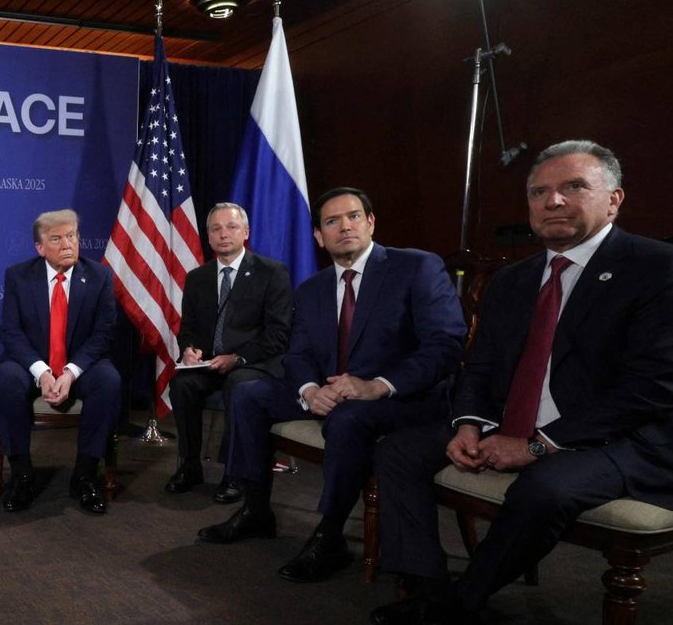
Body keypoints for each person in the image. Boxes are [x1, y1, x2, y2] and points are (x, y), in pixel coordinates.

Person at [373, 140, 673, 625]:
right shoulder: (512, 280)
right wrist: (468, 425)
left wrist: (538, 445)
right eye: (539, 192)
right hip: (513, 422)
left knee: (545, 487)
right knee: (398, 450)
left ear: (614, 199)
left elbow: (653, 389)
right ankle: (425, 591)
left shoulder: (666, 269)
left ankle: (457, 609)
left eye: (573, 187)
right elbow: (480, 368)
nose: (552, 201)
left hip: (629, 439)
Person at [199, 187, 465, 582]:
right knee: (248, 392)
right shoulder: (312, 288)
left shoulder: (416, 267)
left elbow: (445, 345)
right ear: (319, 237)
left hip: (400, 398)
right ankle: (255, 510)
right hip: (330, 393)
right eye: (332, 221)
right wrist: (309, 390)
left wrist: (378, 385)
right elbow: (297, 353)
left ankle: (330, 533)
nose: (345, 227)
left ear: (370, 222)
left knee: (348, 418)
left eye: (354, 216)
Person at [0, 208, 121, 515]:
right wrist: (43, 372)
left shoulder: (99, 275)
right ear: (40, 247)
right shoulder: (18, 276)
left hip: (81, 362)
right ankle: (22, 475)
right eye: (56, 239)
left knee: (109, 380)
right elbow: (10, 332)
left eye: (72, 236)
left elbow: (103, 333)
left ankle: (85, 475)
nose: (67, 245)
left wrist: (71, 372)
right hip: (31, 362)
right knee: (4, 379)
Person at [165, 202, 293, 501]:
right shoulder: (197, 277)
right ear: (208, 236)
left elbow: (278, 334)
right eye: (216, 229)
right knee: (182, 384)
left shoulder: (272, 273)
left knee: (238, 384)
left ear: (245, 232)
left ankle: (235, 473)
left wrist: (237, 358)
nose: (224, 234)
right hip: (210, 364)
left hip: (253, 363)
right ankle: (189, 465)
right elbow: (188, 328)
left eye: (231, 227)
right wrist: (189, 349)